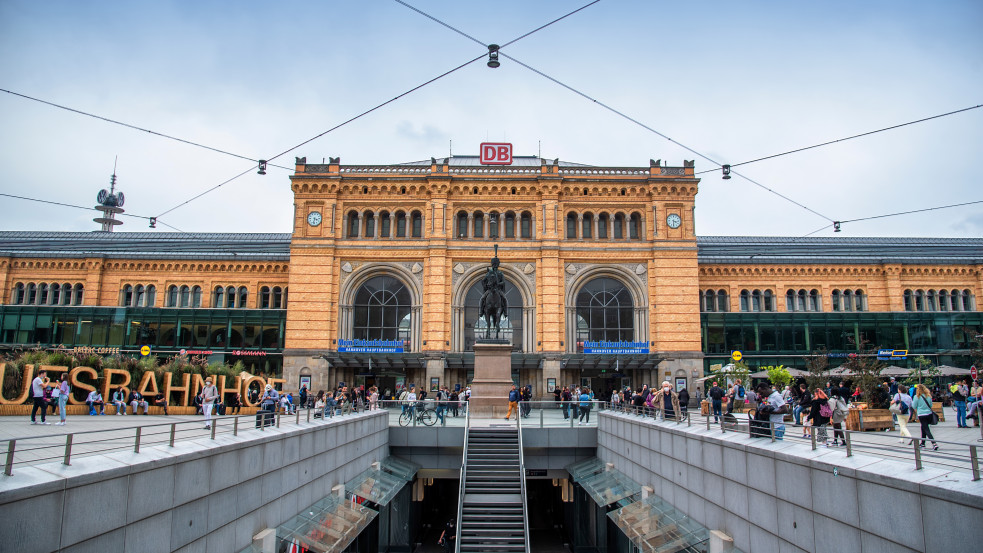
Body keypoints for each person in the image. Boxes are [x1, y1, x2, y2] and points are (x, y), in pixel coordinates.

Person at [913, 384, 939, 450]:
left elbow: (914, 406)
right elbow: (930, 405)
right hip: (929, 414)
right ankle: (922, 443)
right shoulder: (928, 396)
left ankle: (934, 443)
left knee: (926, 429)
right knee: (923, 428)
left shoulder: (916, 397)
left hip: (921, 414)